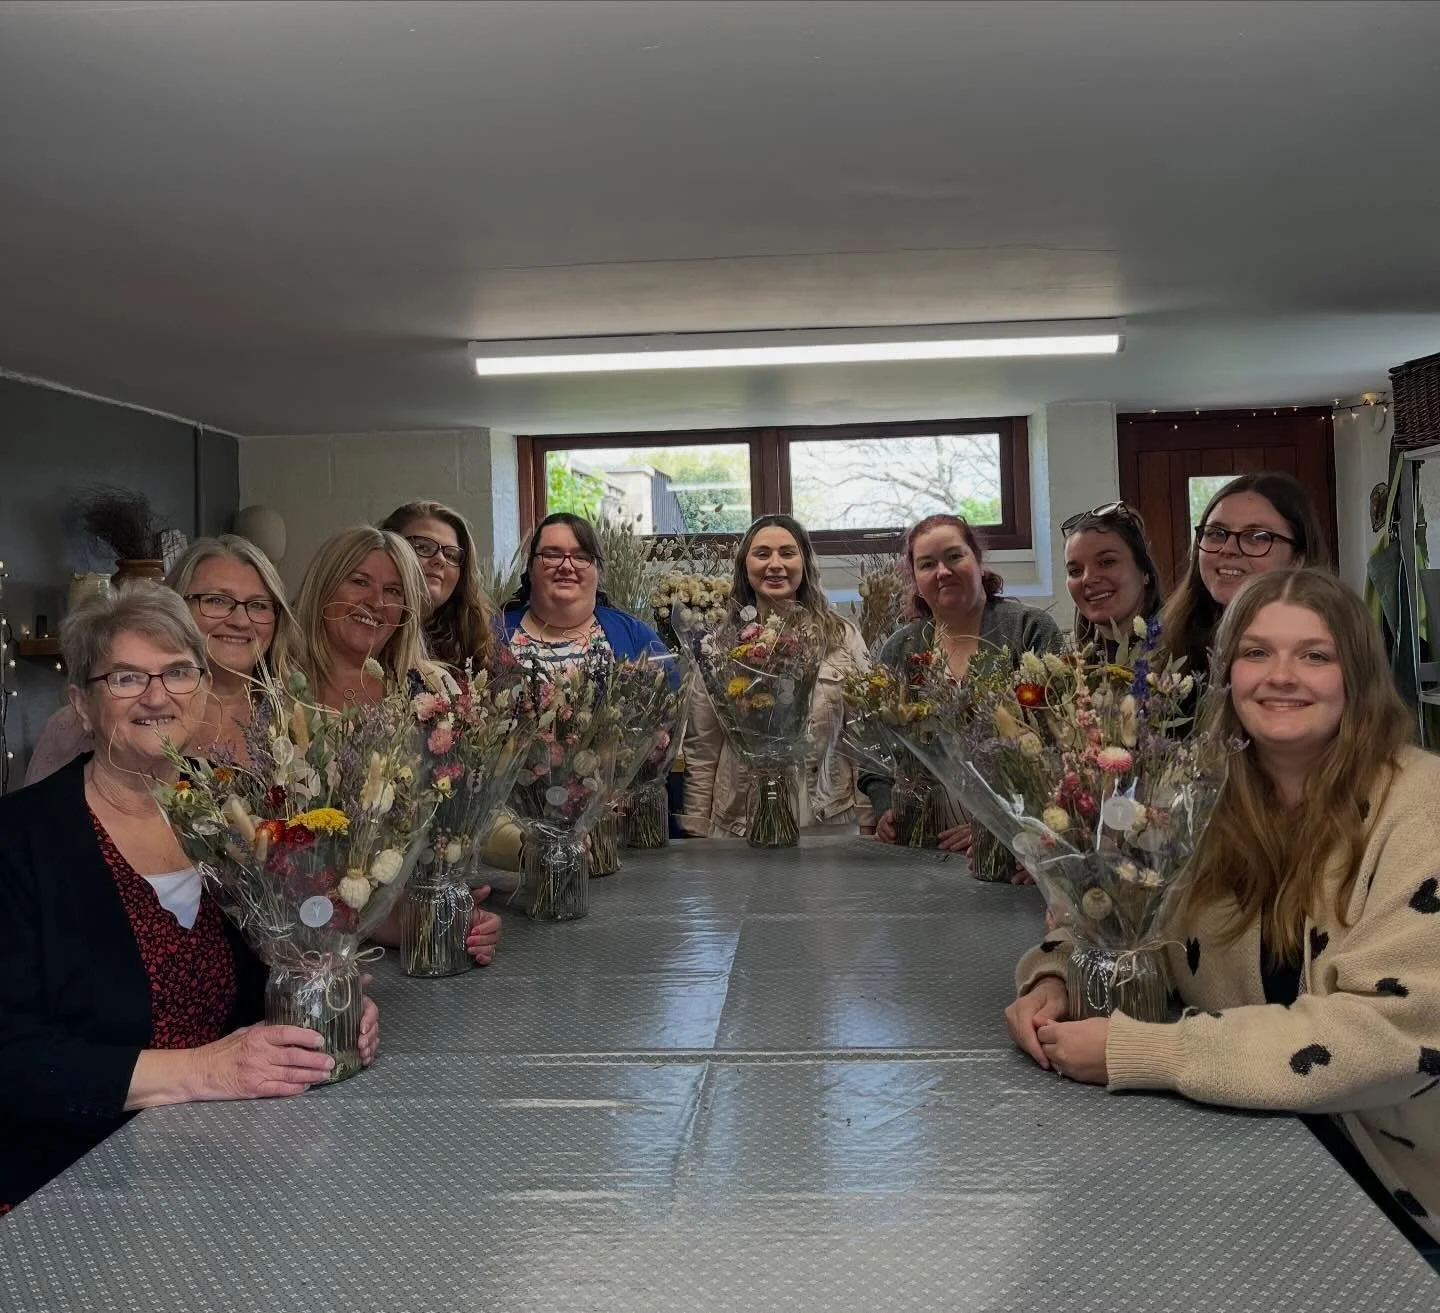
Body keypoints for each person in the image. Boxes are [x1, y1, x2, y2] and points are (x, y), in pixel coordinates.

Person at [1005, 569, 1440, 1257]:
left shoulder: (1422, 807)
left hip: (1402, 1197)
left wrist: (1146, 1050)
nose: (1281, 676)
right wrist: (1061, 972)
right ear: (1225, 672)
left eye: (1315, 655)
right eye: (1257, 652)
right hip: (1252, 1158)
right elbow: (1122, 909)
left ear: (1355, 673)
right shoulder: (1198, 797)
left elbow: (1389, 1033)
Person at [0, 583, 379, 1211]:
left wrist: (333, 1003)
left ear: (202, 690)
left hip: (243, 1155)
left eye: (177, 672)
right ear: (82, 706)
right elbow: (13, 1060)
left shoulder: (247, 813)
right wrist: (206, 1071)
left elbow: (290, 954)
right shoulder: (19, 842)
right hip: (73, 1182)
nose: (156, 696)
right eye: (125, 678)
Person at [293, 526, 501, 966]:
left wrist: (456, 913)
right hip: (307, 950)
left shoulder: (430, 687)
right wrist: (385, 921)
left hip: (414, 950)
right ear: (324, 584)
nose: (375, 601)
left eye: (393, 591)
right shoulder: (278, 694)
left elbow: (466, 805)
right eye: (359, 581)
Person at [862, 514, 1062, 868]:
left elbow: (1058, 741)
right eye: (927, 564)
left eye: (954, 556)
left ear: (978, 560)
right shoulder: (900, 648)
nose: (942, 571)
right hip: (921, 846)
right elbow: (873, 744)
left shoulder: (1029, 630)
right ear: (914, 578)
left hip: (1011, 846)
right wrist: (885, 809)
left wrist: (997, 822)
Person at [480, 513, 672, 871]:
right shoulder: (491, 637)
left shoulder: (635, 636)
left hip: (613, 840)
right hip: (512, 840)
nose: (566, 565)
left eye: (581, 556)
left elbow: (669, 715)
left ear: (597, 569)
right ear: (531, 567)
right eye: (552, 554)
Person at [24, 534, 297, 784]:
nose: (240, 620)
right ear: (173, 605)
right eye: (216, 600)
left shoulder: (298, 721)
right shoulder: (87, 720)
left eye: (258, 605)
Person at [680, 513, 870, 839]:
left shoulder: (842, 635)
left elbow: (865, 730)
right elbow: (703, 748)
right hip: (742, 818)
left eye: (787, 552)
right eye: (762, 553)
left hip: (829, 811)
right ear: (745, 566)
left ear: (805, 563)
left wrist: (868, 814)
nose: (775, 564)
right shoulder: (717, 646)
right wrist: (698, 826)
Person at [1159, 471, 1328, 679]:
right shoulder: (1168, 645)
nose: (1228, 548)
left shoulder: (1325, 650)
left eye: (1257, 537)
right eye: (1216, 533)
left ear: (1298, 559)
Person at [379, 500, 496, 673]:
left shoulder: (473, 647)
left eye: (451, 555)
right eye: (423, 547)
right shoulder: (365, 629)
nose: (440, 559)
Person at [1061, 502, 1164, 649]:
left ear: (1144, 570)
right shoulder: (1068, 664)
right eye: (1075, 571)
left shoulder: (1188, 654)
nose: (1088, 578)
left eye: (1107, 562)